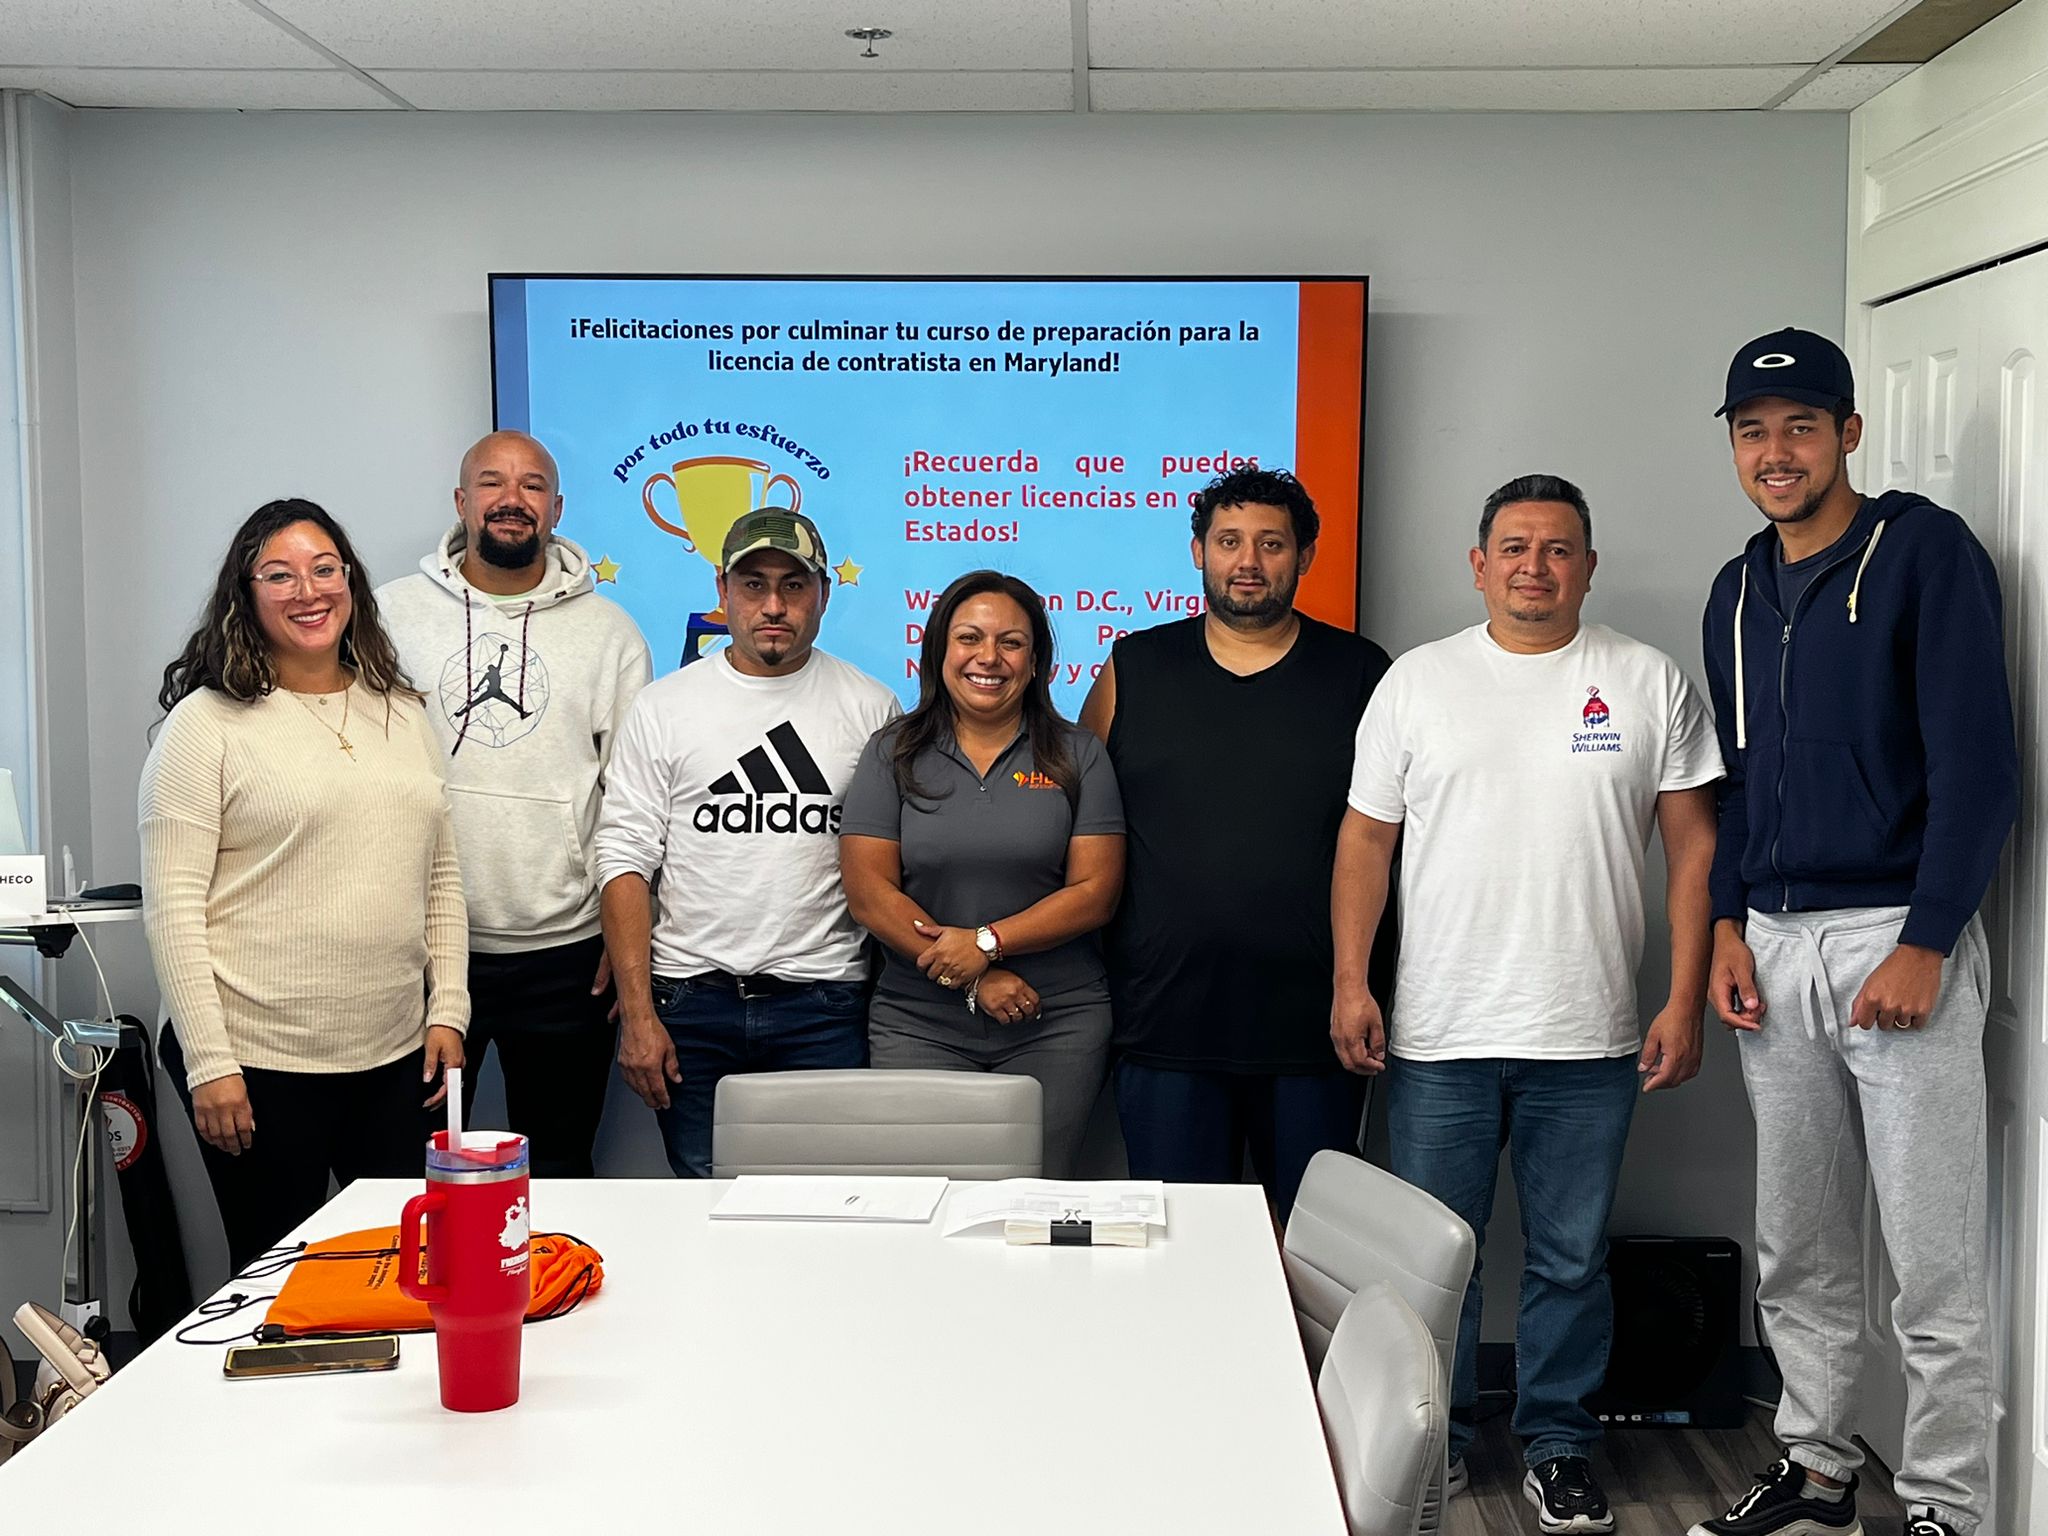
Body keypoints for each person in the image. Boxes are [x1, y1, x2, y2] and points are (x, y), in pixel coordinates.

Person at [1332, 473, 1722, 1534]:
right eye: (1513, 547)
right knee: (1432, 1257)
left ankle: (1558, 1445)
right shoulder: (1416, 683)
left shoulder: (1644, 683)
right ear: (1478, 564)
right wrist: (1350, 980)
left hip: (1588, 1035)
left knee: (1566, 1259)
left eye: (1557, 549)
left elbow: (1693, 850)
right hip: (1437, 1031)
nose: (1533, 566)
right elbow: (1365, 842)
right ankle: (1436, 1444)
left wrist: (1682, 998)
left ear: (1586, 567)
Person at [1691, 330, 2017, 1536]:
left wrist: (1929, 938)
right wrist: (1725, 922)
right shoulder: (1733, 591)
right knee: (1799, 1241)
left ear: (1846, 433)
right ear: (1730, 443)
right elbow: (1732, 783)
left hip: (1895, 934)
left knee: (1931, 1259)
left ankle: (1944, 1503)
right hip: (1772, 946)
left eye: (1798, 427)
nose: (1774, 454)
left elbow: (1978, 769)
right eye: (1750, 431)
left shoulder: (1923, 553)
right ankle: (1817, 1464)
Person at [139, 499, 468, 1271]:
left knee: (396, 1267)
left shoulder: (402, 710)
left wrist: (448, 1006)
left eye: (325, 569)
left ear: (350, 581)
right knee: (273, 1278)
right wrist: (210, 1064)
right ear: (246, 594)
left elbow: (443, 875)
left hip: (392, 1054)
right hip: (258, 1057)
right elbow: (174, 909)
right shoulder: (207, 724)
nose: (307, 591)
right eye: (279, 575)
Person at [1078, 466, 1392, 1218]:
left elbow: (1391, 838)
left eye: (1270, 543)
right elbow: (1082, 823)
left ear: (1305, 556)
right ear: (1198, 552)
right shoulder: (1135, 666)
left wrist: (1360, 988)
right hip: (1165, 1021)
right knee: (1182, 1250)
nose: (1247, 561)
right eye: (1229, 541)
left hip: (1316, 1026)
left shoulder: (1361, 673)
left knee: (1313, 1253)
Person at [379, 430, 652, 1179]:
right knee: (404, 1170)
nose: (512, 500)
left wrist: (624, 932)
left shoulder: (611, 634)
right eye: (492, 483)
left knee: (561, 1168)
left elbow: (631, 801)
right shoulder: (389, 616)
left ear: (556, 508)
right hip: (421, 952)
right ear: (462, 502)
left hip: (564, 954)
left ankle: (552, 1296)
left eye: (532, 486)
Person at [594, 507, 899, 1177]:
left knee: (825, 1208)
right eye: (753, 584)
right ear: (721, 588)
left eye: (794, 586)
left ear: (823, 593)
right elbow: (623, 858)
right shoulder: (664, 707)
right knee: (709, 1210)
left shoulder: (871, 708)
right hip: (690, 1006)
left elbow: (890, 867)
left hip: (823, 1004)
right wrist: (638, 1017)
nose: (773, 605)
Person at [840, 570, 1125, 1178]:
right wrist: (971, 978)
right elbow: (868, 892)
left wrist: (986, 944)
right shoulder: (891, 751)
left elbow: (1095, 893)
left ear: (1036, 658)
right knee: (929, 1202)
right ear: (940, 648)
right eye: (969, 638)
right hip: (918, 1023)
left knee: (1032, 1205)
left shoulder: (1079, 754)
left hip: (1055, 1021)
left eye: (1011, 642)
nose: (988, 658)